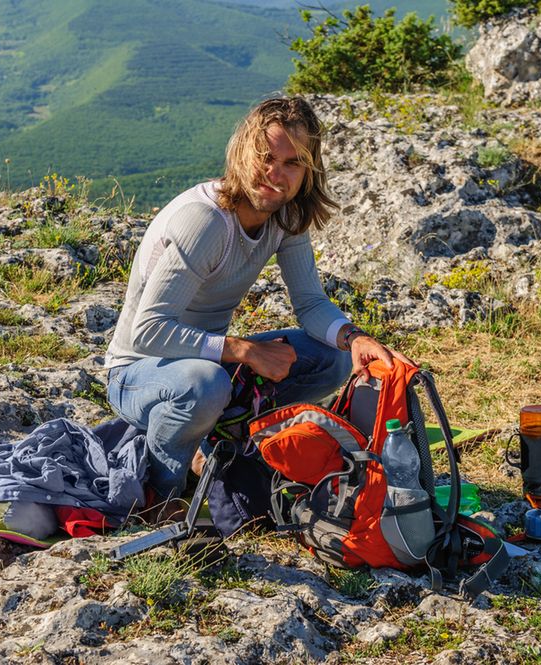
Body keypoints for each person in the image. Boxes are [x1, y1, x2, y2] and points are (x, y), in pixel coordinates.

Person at [105, 97, 414, 504]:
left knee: (331, 356)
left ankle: (219, 445)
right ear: (241, 154)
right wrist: (245, 351)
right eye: (265, 157)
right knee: (205, 385)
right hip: (138, 373)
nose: (275, 174)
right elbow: (148, 333)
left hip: (207, 363)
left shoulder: (286, 217)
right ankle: (162, 495)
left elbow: (309, 304)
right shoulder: (205, 221)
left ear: (308, 171)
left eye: (292, 163)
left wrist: (354, 338)